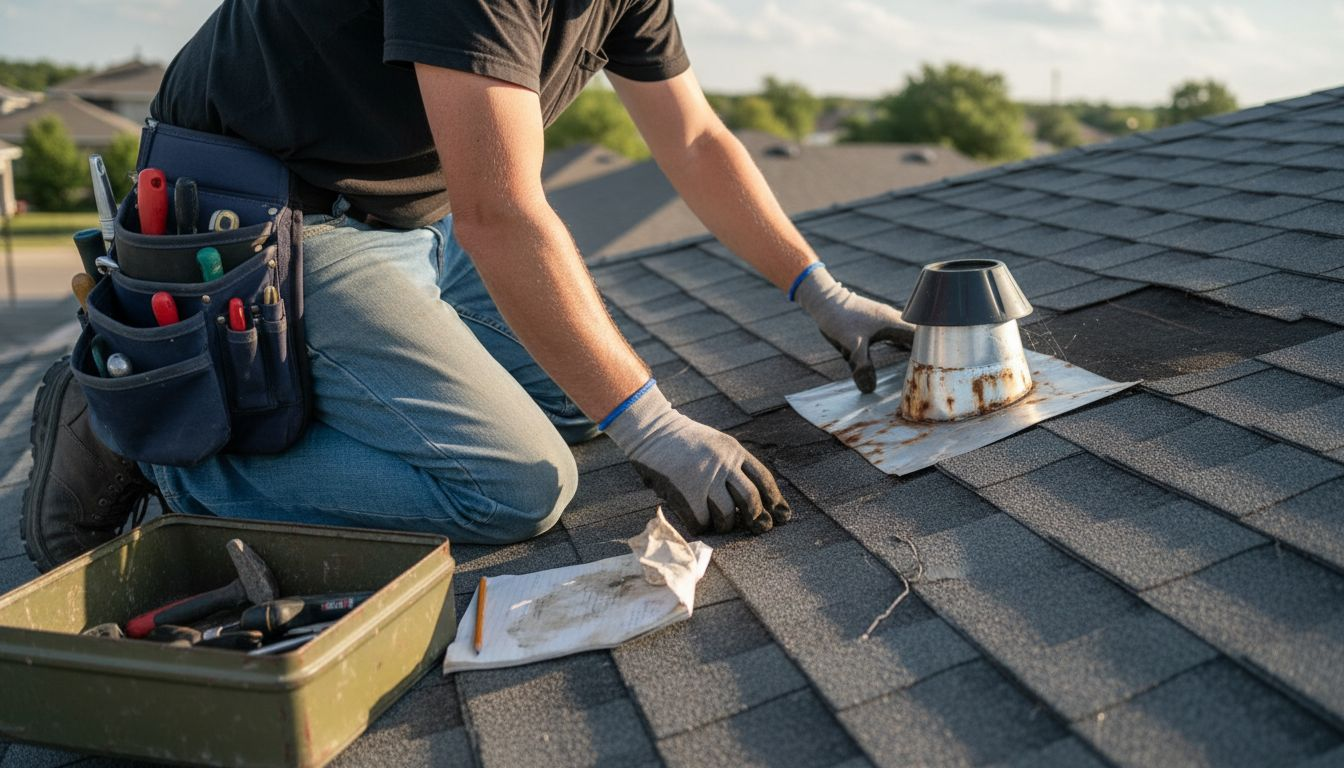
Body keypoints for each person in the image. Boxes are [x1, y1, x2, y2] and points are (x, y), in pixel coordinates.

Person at [21, 0, 913, 572]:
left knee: (573, 401)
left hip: (410, 220)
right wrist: (658, 427)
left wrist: (823, 293)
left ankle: (318, 398)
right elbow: (502, 214)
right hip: (263, 222)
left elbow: (695, 141)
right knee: (516, 485)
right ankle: (161, 453)